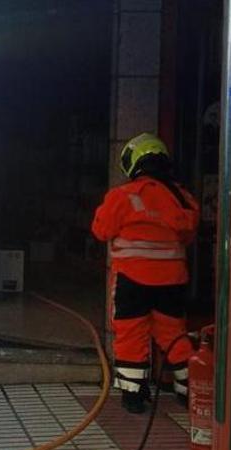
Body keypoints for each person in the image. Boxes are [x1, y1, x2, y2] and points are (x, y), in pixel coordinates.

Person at [91, 133, 199, 414]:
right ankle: (191, 393)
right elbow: (188, 234)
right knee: (174, 334)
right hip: (173, 282)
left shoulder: (122, 196)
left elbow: (101, 230)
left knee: (130, 333)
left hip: (132, 280)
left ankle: (134, 396)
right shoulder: (183, 198)